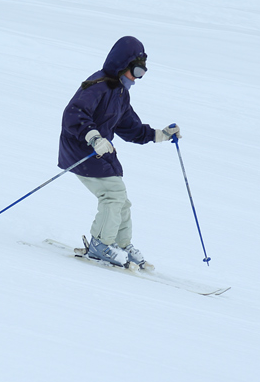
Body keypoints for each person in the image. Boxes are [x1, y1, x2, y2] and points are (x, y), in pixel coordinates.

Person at [58, 36, 181, 267]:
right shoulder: (97, 86)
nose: (136, 78)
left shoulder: (120, 94)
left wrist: (159, 134)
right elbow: (73, 114)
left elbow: (129, 127)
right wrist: (93, 137)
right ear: (121, 65)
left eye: (142, 74)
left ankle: (120, 244)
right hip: (80, 150)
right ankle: (100, 244)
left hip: (101, 152)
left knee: (121, 200)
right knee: (112, 195)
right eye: (135, 71)